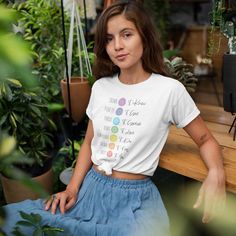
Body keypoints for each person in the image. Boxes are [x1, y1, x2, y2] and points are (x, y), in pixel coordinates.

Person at [2, 1, 226, 235]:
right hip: (89, 192)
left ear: (145, 36)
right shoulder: (100, 87)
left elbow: (205, 140)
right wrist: (72, 188)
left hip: (134, 202)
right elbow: (89, 142)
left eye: (126, 34)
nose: (117, 45)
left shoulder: (169, 90)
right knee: (15, 222)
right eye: (109, 39)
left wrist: (216, 172)